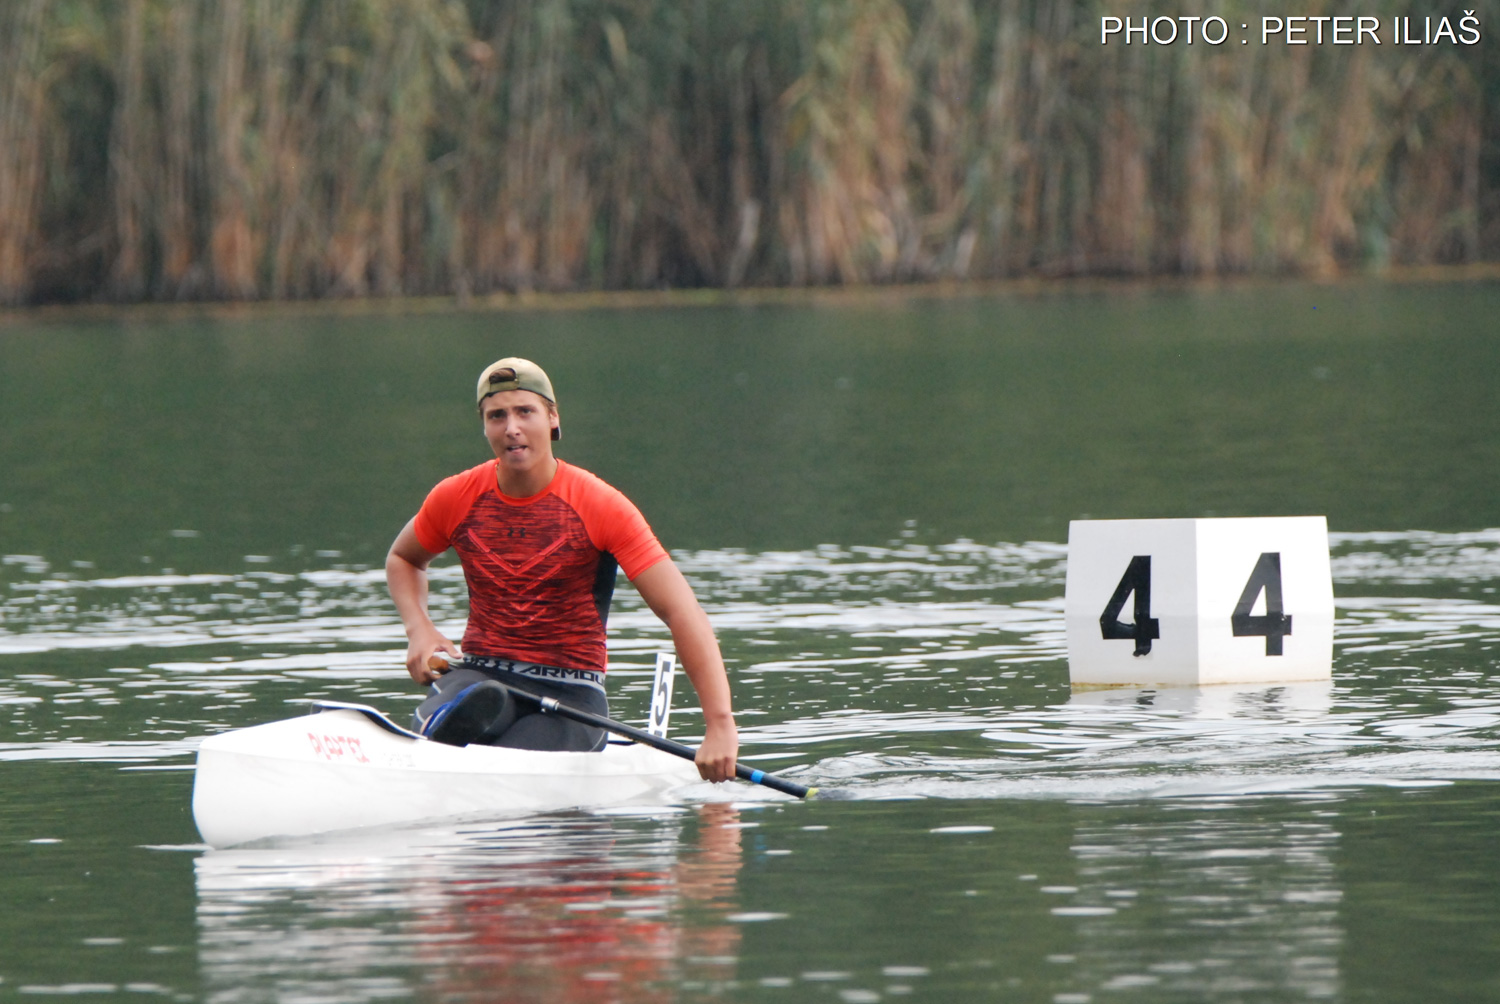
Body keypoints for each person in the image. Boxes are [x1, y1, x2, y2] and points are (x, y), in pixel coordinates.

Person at [385, 357, 739, 783]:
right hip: (480, 677)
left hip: (571, 695)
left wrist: (720, 726)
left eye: (525, 412)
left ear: (553, 418)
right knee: (471, 705)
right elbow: (404, 558)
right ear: (484, 426)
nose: (511, 427)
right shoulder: (455, 497)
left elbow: (683, 612)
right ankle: (432, 758)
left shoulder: (600, 505)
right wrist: (418, 630)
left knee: (509, 766)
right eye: (497, 416)